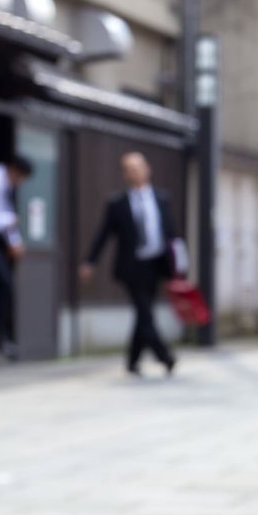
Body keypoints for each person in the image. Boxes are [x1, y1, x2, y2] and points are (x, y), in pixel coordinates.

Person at [80, 152, 186, 376]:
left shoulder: (161, 199)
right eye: (128, 168)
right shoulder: (117, 203)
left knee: (143, 313)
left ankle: (132, 360)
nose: (133, 172)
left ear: (147, 169)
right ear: (124, 174)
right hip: (132, 266)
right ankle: (164, 355)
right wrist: (90, 261)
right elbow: (103, 234)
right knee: (145, 311)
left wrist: (179, 266)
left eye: (136, 167)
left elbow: (172, 235)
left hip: (156, 263)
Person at [0, 154, 32, 360]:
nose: (18, 183)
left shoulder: (5, 184)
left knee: (5, 285)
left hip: (0, 244)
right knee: (3, 284)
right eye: (20, 178)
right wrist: (12, 221)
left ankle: (1, 337)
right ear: (14, 171)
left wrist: (15, 242)